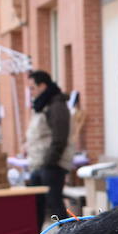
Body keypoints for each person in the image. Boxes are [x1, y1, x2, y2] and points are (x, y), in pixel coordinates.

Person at [25, 70, 72, 225]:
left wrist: (49, 162)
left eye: (32, 88)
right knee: (35, 205)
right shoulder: (42, 104)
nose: (30, 92)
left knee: (55, 205)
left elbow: (60, 137)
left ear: (42, 86)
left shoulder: (56, 105)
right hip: (40, 163)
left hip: (52, 164)